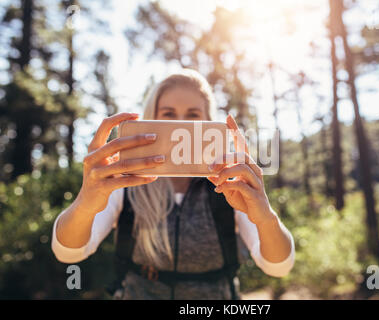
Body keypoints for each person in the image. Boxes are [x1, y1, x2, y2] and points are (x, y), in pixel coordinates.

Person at [51, 69, 295, 300]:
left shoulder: (230, 182)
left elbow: (278, 266)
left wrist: (265, 218)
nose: (180, 125)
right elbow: (69, 252)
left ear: (208, 123)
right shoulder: (125, 181)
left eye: (192, 115)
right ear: (151, 119)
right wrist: (85, 203)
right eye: (168, 114)